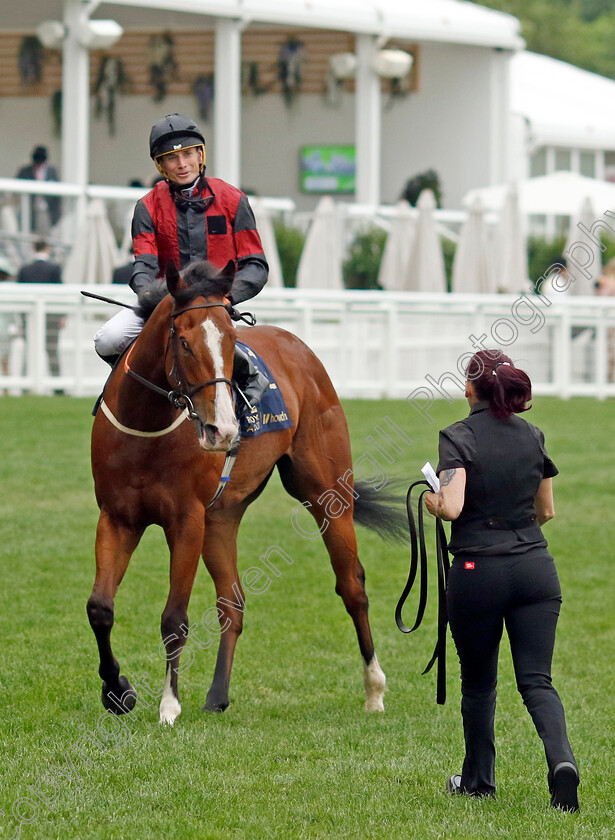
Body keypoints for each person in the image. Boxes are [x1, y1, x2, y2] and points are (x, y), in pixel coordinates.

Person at [424, 349, 579, 812]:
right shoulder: (533, 435)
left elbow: (451, 506)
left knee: (478, 685)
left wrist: (432, 500)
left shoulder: (458, 435)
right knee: (537, 681)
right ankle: (561, 764)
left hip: (477, 571)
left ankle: (478, 782)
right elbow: (546, 510)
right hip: (536, 567)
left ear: (470, 388)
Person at [94, 113, 269, 416]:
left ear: (201, 156)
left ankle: (248, 390)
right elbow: (143, 268)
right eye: (171, 158)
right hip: (167, 305)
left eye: (188, 154)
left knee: (212, 346)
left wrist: (227, 296)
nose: (182, 164)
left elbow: (255, 265)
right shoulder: (146, 206)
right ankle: (133, 393)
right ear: (160, 166)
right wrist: (155, 299)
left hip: (216, 306)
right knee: (108, 339)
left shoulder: (233, 200)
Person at [17, 240, 65, 394]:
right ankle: (58, 386)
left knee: (29, 350)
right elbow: (60, 295)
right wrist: (62, 316)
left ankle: (25, 385)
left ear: (33, 247)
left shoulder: (24, 269)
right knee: (52, 351)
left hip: (28, 318)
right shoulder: (54, 269)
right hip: (51, 317)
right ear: (48, 248)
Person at [16, 146, 61, 235]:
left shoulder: (52, 171)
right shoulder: (25, 171)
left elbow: (57, 195)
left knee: (45, 234)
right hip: (29, 209)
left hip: (47, 210)